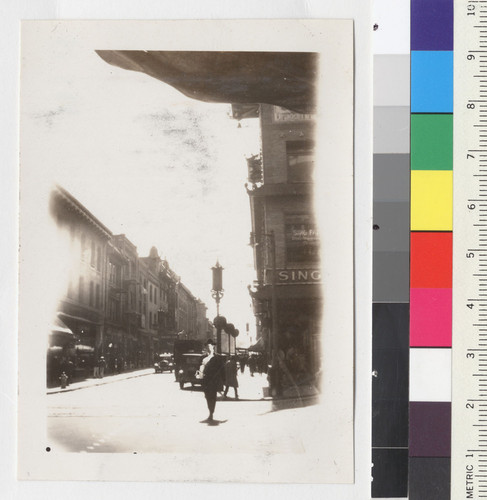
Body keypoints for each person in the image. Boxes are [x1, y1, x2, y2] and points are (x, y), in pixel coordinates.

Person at [200, 339, 224, 422]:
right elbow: (200, 368)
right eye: (207, 346)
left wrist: (223, 382)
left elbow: (222, 370)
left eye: (211, 345)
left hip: (214, 380)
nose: (209, 347)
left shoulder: (217, 357)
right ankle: (210, 411)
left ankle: (211, 413)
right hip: (205, 380)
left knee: (212, 397)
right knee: (207, 396)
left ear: (213, 347)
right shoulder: (203, 357)